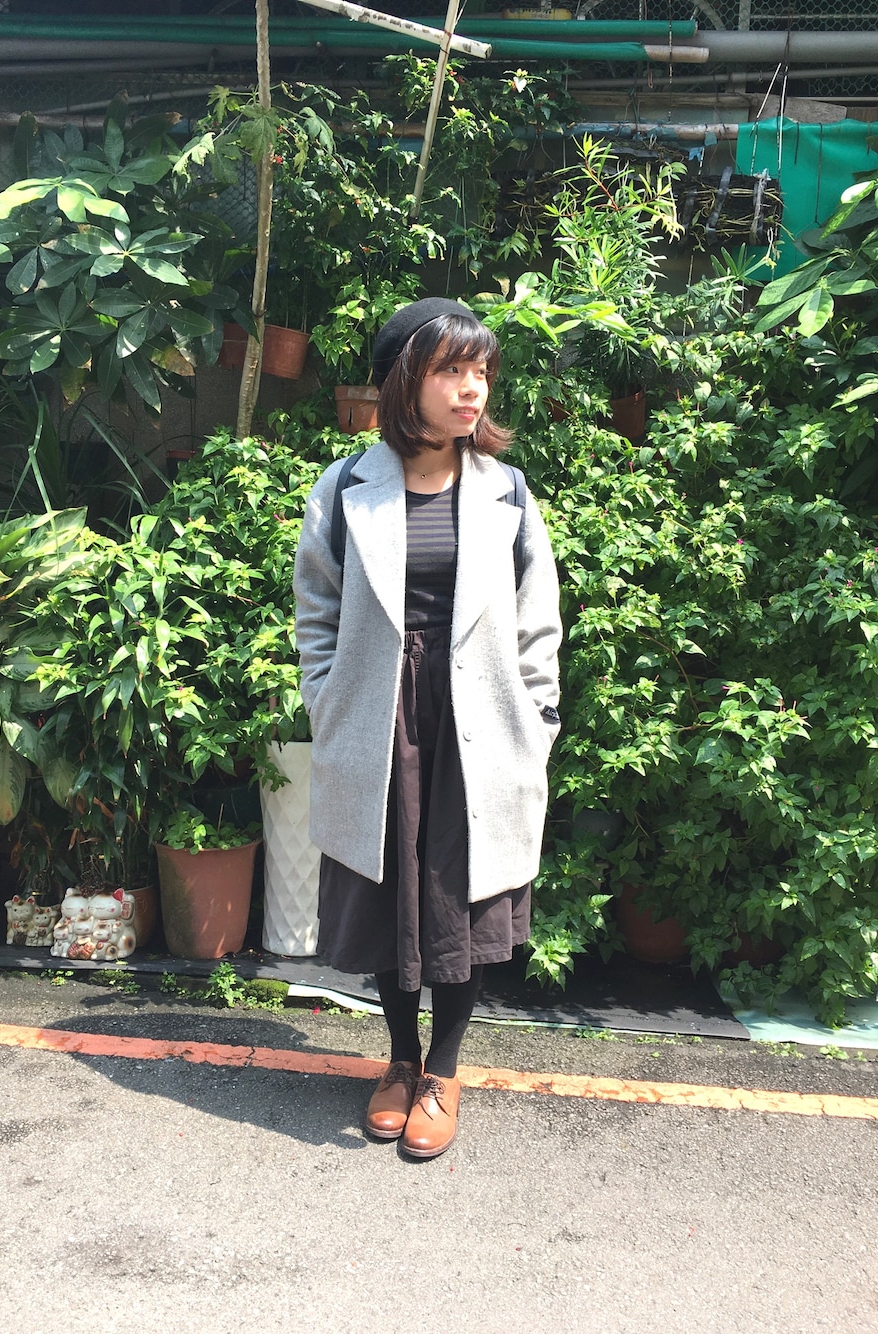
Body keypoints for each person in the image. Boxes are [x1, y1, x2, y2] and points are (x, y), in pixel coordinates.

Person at [293, 297, 562, 1159]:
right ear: (405, 380)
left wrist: (539, 721)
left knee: (461, 899)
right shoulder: (346, 488)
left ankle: (443, 1070)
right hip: (379, 723)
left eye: (480, 371)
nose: (472, 388)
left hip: (480, 724)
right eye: (451, 370)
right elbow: (316, 614)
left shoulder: (506, 491)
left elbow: (538, 623)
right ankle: (400, 1060)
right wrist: (328, 705)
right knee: (388, 894)